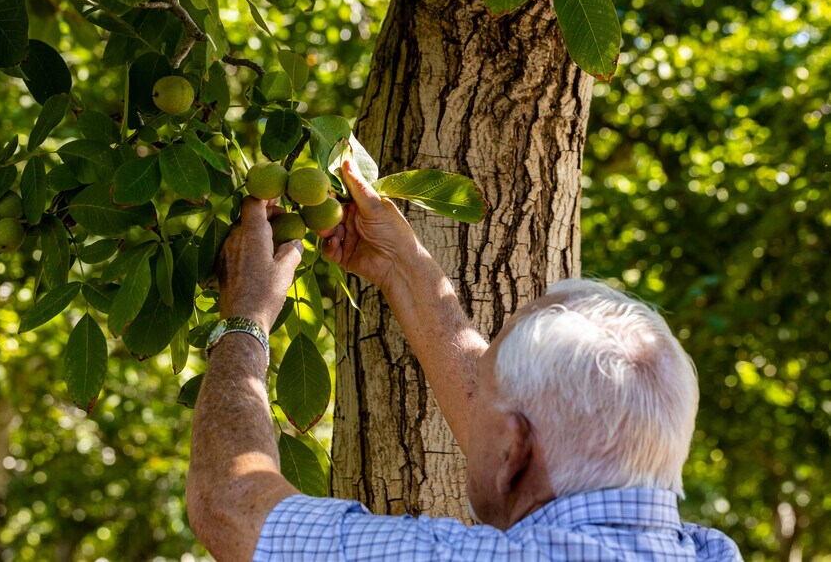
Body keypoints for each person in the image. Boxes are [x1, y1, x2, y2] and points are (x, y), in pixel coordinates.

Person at [186, 160, 743, 561]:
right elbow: (509, 417)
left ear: (516, 450)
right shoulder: (712, 552)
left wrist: (247, 317)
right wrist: (399, 265)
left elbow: (232, 507)